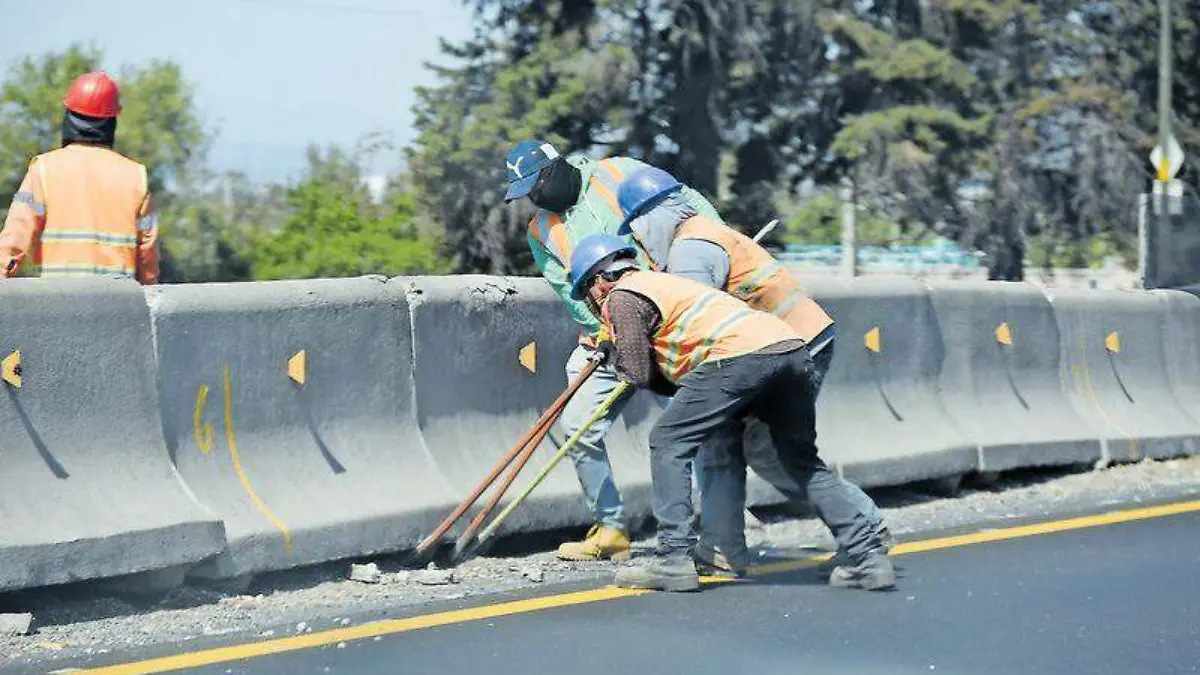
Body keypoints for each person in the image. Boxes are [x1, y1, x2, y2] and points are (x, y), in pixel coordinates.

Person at [567, 233, 895, 593]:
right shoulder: (665, 284)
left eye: (587, 293)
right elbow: (675, 381)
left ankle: (673, 559)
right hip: (788, 350)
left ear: (598, 281)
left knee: (667, 441)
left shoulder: (623, 296)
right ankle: (867, 556)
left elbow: (637, 373)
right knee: (798, 460)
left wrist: (611, 350)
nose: (593, 304)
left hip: (739, 358)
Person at [615, 166, 891, 574]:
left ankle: (864, 528)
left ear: (649, 218)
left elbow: (697, 324)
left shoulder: (690, 250)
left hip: (780, 348)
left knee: (771, 453)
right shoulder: (706, 233)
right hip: (789, 344)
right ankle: (723, 548)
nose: (639, 241)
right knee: (729, 444)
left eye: (637, 230)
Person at [503, 139, 722, 561]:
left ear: (555, 170)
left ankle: (712, 527)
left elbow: (690, 208)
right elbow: (569, 292)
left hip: (671, 319)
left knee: (687, 425)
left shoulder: (616, 172)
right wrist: (603, 330)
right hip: (609, 334)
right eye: (526, 192)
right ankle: (610, 528)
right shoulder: (541, 230)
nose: (535, 197)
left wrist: (713, 260)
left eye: (536, 185)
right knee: (577, 425)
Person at [0, 71, 159, 284]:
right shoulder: (134, 176)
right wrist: (147, 292)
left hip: (59, 304)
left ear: (69, 117)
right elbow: (147, 256)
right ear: (111, 121)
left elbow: (14, 239)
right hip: (119, 307)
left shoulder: (45, 170)